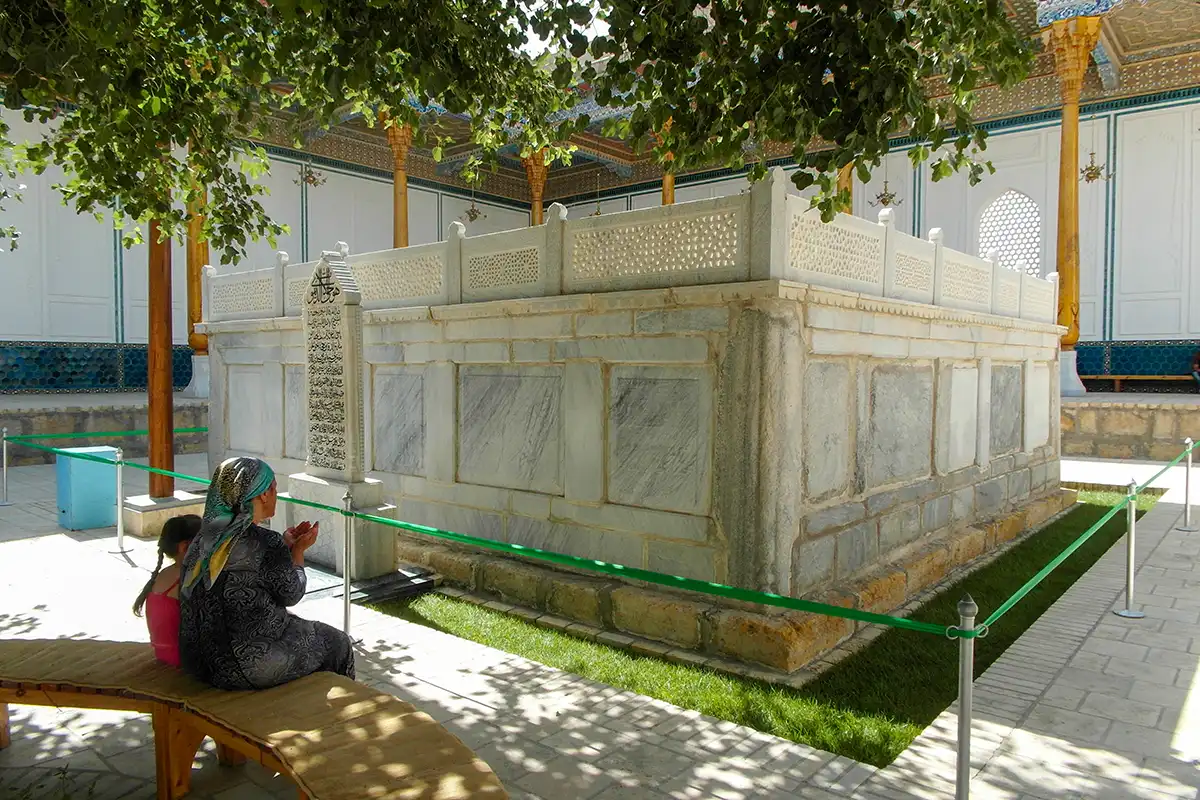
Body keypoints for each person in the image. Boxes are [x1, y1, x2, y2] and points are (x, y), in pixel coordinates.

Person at [178, 456, 355, 690]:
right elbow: (291, 593)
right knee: (338, 642)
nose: (274, 495)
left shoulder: (203, 539)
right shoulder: (265, 543)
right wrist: (298, 553)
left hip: (198, 661)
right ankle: (340, 714)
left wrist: (284, 546)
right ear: (263, 495)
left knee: (299, 628)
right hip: (244, 666)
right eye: (273, 489)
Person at [133, 514, 202, 668]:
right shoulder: (189, 579)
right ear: (184, 547)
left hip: (163, 654)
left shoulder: (162, 574)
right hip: (184, 659)